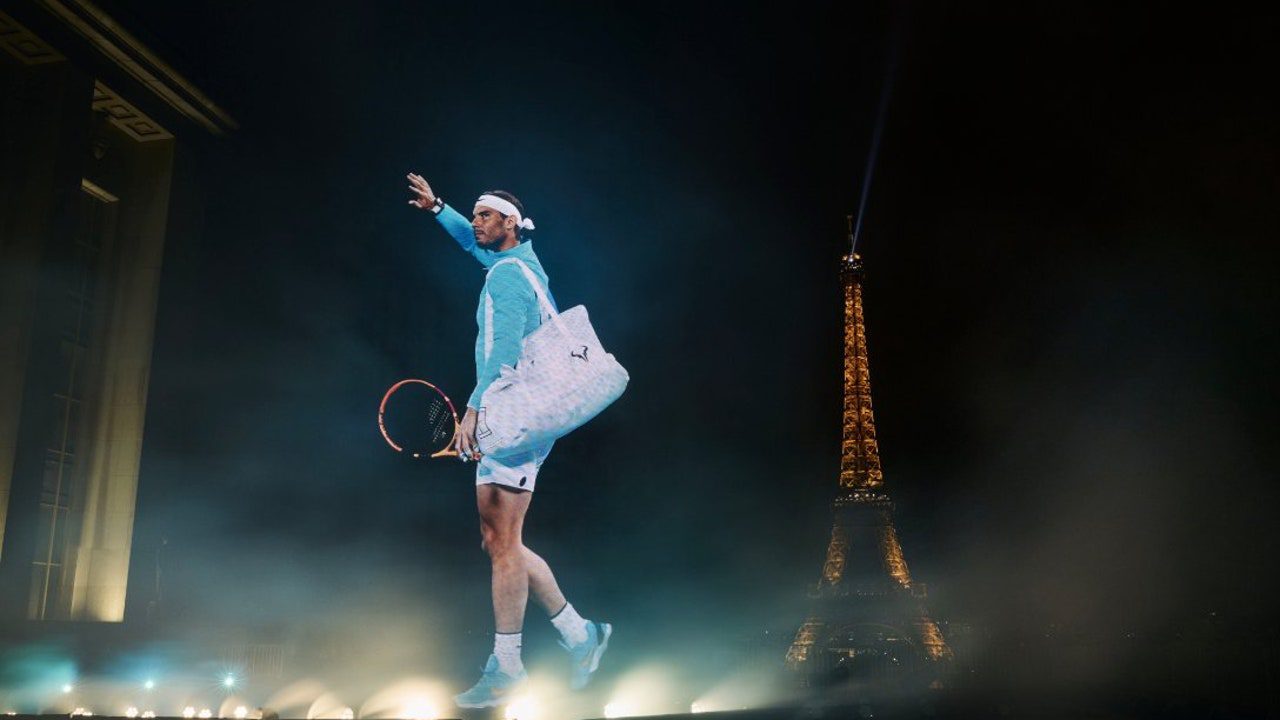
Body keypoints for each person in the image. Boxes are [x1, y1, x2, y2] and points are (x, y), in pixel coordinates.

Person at [406, 173, 612, 708]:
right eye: (472, 215)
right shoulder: (521, 263)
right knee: (502, 541)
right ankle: (580, 636)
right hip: (523, 412)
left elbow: (504, 349)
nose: (474, 223)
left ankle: (508, 666)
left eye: (484, 215)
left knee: (501, 543)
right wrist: (438, 210)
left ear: (511, 223)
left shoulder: (506, 280)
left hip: (510, 412)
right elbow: (471, 245)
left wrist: (474, 412)